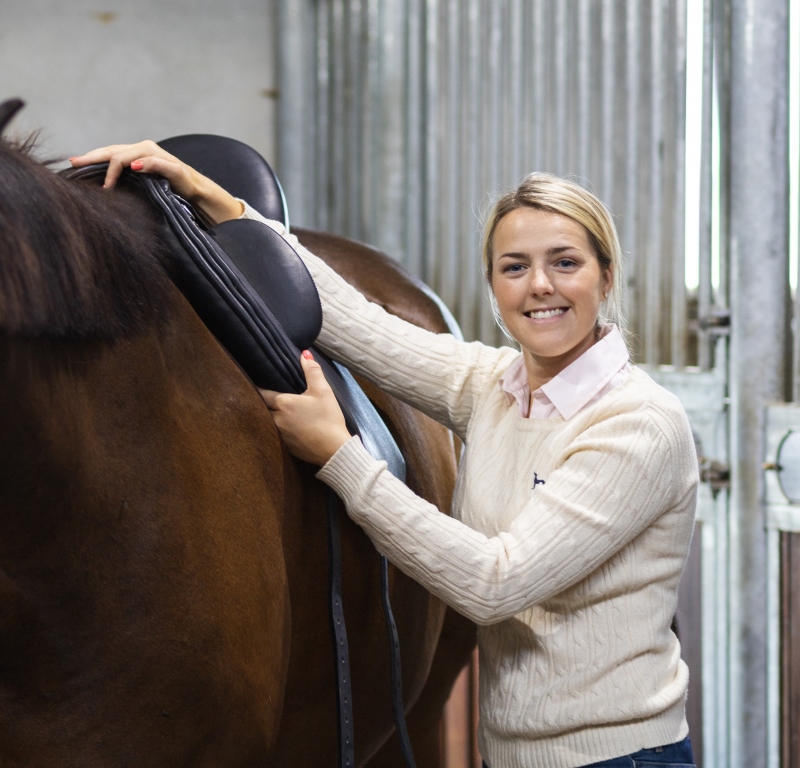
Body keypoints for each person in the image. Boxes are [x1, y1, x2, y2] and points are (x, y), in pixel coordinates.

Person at [70, 142, 699, 768]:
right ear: (493, 286)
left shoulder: (637, 424)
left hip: (620, 757)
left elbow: (493, 583)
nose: (539, 286)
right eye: (514, 267)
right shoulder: (498, 388)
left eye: (565, 263)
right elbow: (358, 324)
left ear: (606, 276)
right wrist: (220, 207)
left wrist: (339, 456)